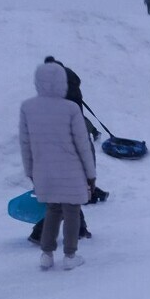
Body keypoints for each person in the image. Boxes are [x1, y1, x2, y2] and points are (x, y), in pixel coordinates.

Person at [19, 62, 97, 271]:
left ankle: (46, 254)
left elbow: (25, 144)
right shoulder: (71, 108)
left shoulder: (28, 108)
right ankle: (70, 255)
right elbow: (82, 144)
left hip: (44, 170)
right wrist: (90, 175)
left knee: (53, 209)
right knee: (71, 210)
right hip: (71, 170)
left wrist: (30, 171)